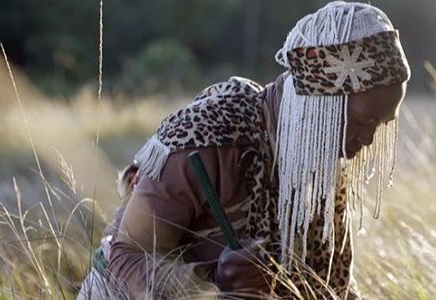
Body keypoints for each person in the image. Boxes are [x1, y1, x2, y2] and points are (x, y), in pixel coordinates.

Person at [77, 2, 410, 299]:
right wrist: (213, 282)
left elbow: (329, 288)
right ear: (322, 105)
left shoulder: (322, 164)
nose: (368, 140)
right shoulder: (210, 135)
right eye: (363, 122)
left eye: (380, 125)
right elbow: (123, 258)